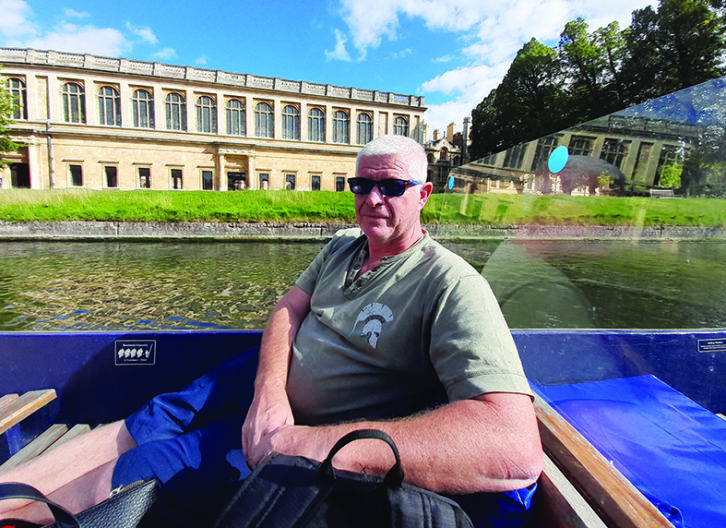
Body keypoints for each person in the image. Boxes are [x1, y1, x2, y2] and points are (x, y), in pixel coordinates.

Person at [0, 135, 542, 527]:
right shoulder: (342, 246)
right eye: (362, 184)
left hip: (305, 436)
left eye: (391, 186)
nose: (373, 198)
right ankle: (7, 495)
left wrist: (303, 443)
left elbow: (513, 447)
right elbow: (289, 306)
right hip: (259, 382)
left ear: (423, 195)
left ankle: (27, 518)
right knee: (150, 417)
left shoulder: (450, 284)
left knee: (142, 467)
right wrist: (268, 392)